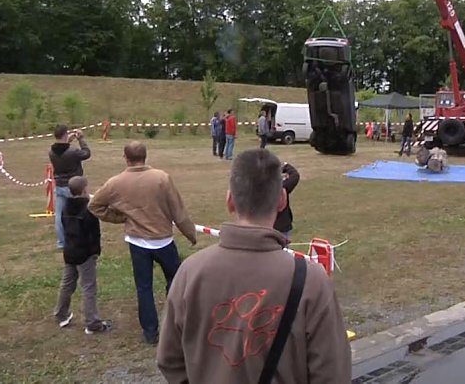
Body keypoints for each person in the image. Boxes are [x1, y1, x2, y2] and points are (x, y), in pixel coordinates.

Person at [156, 149, 351, 383]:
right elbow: (332, 373)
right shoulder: (313, 281)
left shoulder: (190, 272)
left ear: (230, 200)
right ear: (282, 200)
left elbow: (169, 359)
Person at [88, 141, 198, 345]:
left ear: (125, 158)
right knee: (176, 281)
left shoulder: (116, 182)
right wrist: (190, 234)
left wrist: (121, 217)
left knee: (144, 288)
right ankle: (178, 323)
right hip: (164, 240)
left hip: (138, 243)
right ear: (145, 156)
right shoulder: (162, 178)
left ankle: (150, 332)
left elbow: (95, 205)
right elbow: (178, 212)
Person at [53, 176, 112, 334]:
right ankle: (92, 322)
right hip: (84, 253)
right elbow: (93, 233)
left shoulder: (66, 207)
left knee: (67, 283)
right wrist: (94, 252)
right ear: (84, 189)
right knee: (88, 287)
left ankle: (61, 313)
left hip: (70, 251)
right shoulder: (88, 210)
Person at [49, 125, 91, 249]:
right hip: (73, 185)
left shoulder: (51, 152)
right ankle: (83, 239)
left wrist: (69, 140)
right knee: (82, 212)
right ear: (65, 134)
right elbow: (86, 153)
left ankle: (61, 242)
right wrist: (81, 139)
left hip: (59, 185)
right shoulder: (72, 152)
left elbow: (61, 149)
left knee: (59, 215)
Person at [275, 162, 300, 241]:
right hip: (282, 226)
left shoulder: (254, 189)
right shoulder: (282, 187)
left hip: (261, 227)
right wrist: (286, 166)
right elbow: (295, 176)